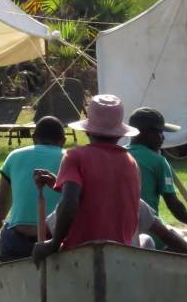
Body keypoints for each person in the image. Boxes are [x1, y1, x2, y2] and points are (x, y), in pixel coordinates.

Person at [31, 95, 141, 266]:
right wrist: (58, 183)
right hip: (120, 255)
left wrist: (54, 244)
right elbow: (99, 192)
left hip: (79, 252)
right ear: (119, 134)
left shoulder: (75, 156)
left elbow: (70, 203)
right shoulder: (130, 162)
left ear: (88, 130)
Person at [0, 116, 66, 258]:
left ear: (33, 138)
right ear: (63, 142)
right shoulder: (69, 158)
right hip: (53, 240)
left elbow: (1, 206)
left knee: (8, 227)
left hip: (17, 241)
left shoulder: (14, 156)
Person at [127, 107, 187, 242]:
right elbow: (173, 204)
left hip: (120, 229)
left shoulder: (118, 154)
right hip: (151, 231)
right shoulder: (158, 161)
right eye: (160, 133)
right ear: (148, 133)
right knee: (185, 244)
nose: (163, 138)